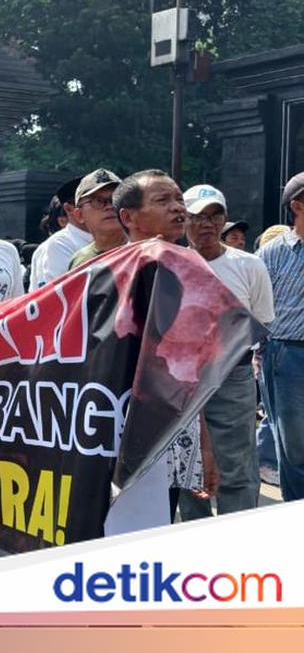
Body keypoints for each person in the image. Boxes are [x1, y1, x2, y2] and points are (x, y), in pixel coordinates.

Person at [113, 169, 220, 512]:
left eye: (178, 199)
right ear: (128, 217)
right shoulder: (108, 274)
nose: (178, 208)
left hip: (176, 426)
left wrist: (203, 443)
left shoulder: (192, 272)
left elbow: (189, 370)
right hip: (119, 426)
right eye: (163, 200)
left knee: (161, 518)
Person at [176, 184, 273, 519]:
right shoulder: (169, 265)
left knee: (238, 465)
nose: (206, 223)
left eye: (214, 215)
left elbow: (260, 320)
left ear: (225, 219)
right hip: (182, 380)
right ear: (183, 220)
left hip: (234, 376)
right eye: (197, 216)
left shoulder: (249, 266)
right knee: (189, 466)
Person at [255, 170, 304, 502]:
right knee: (295, 446)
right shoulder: (272, 253)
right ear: (297, 205)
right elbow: (250, 305)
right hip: (287, 356)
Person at [29, 176, 92, 291]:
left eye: (112, 200)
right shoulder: (58, 245)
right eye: (96, 201)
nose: (108, 207)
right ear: (70, 210)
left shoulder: (123, 238)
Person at [67, 169, 126, 270]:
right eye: (98, 201)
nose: (109, 206)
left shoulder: (146, 253)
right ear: (79, 215)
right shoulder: (80, 262)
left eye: (116, 199)